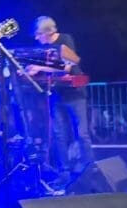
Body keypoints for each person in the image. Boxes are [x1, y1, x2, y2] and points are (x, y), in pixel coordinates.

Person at [25, 16, 92, 182]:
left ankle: (90, 169)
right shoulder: (43, 48)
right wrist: (30, 71)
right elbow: (46, 69)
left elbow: (67, 67)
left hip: (75, 94)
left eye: (39, 34)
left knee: (82, 133)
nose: (36, 38)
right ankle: (64, 172)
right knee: (58, 134)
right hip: (57, 93)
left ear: (49, 32)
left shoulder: (65, 40)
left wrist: (39, 67)